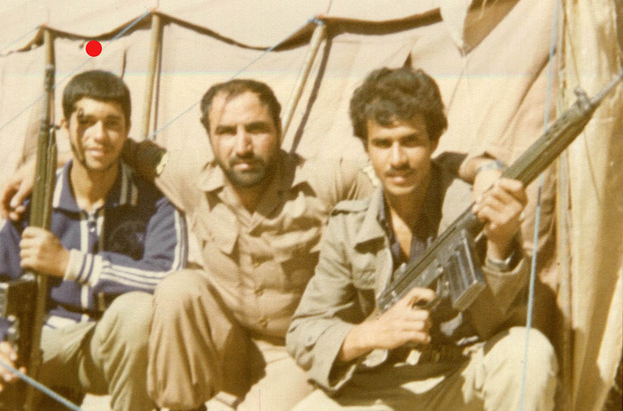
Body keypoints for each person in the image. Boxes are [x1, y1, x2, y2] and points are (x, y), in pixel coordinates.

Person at [0, 76, 500, 411]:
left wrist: (481, 167)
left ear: (279, 131)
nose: (242, 145)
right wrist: (42, 164)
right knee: (178, 288)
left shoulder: (328, 180)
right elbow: (110, 146)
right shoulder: (189, 174)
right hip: (228, 343)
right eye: (227, 132)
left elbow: (406, 164)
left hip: (296, 351)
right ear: (209, 137)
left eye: (256, 129)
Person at [286, 67, 558, 410]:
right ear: (366, 148)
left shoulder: (474, 203)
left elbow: (501, 324)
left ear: (434, 141)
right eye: (382, 143)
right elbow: (304, 331)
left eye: (411, 141)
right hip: (385, 382)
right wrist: (369, 334)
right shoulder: (349, 226)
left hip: (463, 374)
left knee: (528, 353)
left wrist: (500, 245)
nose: (397, 159)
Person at [0, 70, 187, 411]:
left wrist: (71, 263)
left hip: (113, 347)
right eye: (85, 122)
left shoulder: (154, 201)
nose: (99, 135)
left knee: (138, 311)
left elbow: (168, 277)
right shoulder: (36, 199)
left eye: (112, 123)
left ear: (127, 130)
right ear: (65, 125)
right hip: (40, 341)